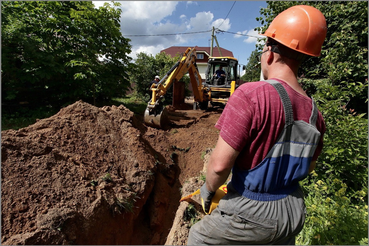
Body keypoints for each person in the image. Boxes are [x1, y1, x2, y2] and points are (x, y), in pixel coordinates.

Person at [188, 5, 327, 245]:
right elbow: (309, 167)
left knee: (197, 237)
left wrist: (208, 191)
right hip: (292, 211)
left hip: (251, 210)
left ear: (270, 54)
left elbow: (220, 166)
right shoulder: (316, 114)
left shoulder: (250, 94)